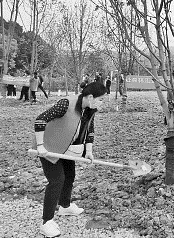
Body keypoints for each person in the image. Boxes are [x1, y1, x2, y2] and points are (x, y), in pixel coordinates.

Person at [33, 81, 106, 237]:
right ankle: (46, 223)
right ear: (91, 97)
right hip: (49, 147)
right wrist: (40, 146)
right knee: (57, 180)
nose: (102, 102)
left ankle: (65, 206)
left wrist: (89, 151)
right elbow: (40, 120)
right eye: (101, 99)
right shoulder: (66, 104)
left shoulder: (89, 109)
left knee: (70, 176)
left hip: (66, 148)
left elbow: (90, 130)